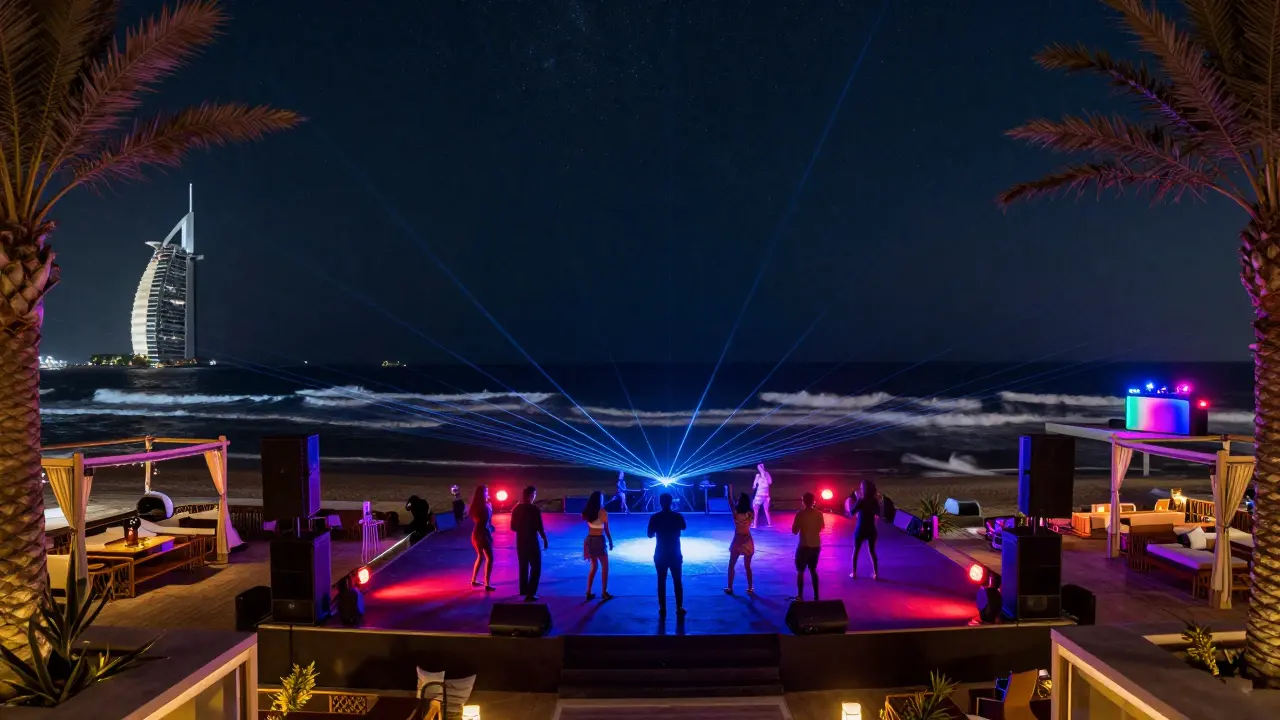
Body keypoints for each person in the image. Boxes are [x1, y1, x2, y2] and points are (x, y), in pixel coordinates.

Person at [648, 492, 687, 617]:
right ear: (671, 502)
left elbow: (649, 534)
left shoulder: (655, 517)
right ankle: (679, 606)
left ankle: (662, 607)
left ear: (660, 502)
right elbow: (683, 527)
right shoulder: (677, 516)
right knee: (677, 581)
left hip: (660, 552)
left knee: (661, 580)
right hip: (675, 552)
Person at [511, 485, 549, 601]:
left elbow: (512, 527)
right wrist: (545, 539)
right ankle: (531, 593)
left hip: (520, 541)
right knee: (536, 566)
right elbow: (539, 527)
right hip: (532, 541)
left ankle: (523, 589)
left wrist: (522, 529)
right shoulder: (534, 509)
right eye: (534, 495)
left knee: (523, 565)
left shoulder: (516, 508)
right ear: (531, 495)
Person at [791, 491, 824, 601]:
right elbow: (820, 528)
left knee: (800, 571)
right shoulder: (819, 514)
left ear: (803, 502)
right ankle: (816, 595)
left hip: (804, 545)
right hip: (816, 545)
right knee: (813, 570)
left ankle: (800, 595)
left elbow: (794, 531)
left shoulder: (800, 514)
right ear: (813, 501)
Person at [582, 490, 614, 599]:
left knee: (593, 567)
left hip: (590, 540)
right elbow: (606, 529)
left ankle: (588, 591)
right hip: (599, 540)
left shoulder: (587, 512)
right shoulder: (603, 512)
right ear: (600, 499)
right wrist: (610, 541)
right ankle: (604, 592)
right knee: (605, 567)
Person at [848, 479, 882, 579]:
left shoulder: (861, 501)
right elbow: (879, 513)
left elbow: (851, 512)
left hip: (861, 529)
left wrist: (857, 499)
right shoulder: (874, 501)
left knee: (856, 550)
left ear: (863, 489)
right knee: (872, 551)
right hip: (871, 529)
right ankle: (875, 573)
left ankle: (854, 573)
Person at [725, 492, 755, 595]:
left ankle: (730, 587)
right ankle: (750, 587)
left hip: (738, 540)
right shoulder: (750, 513)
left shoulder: (736, 514)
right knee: (747, 566)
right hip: (747, 540)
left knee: (731, 565)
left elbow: (730, 501)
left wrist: (729, 489)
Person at [468, 485, 496, 590]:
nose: (488, 493)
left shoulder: (477, 506)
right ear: (482, 494)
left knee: (480, 556)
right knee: (490, 557)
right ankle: (487, 584)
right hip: (482, 534)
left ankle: (474, 580)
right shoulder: (484, 506)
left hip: (476, 533)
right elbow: (485, 520)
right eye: (486, 492)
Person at [751, 463, 773, 528]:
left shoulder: (758, 475)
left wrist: (754, 486)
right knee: (766, 510)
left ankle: (754, 525)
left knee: (755, 510)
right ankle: (769, 524)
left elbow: (754, 485)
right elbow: (770, 482)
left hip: (759, 495)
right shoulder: (767, 474)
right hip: (766, 495)